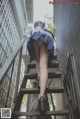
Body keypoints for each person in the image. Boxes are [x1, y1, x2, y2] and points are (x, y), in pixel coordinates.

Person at [27, 21, 54, 112]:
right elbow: (51, 34)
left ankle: (39, 77)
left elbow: (28, 35)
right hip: (46, 38)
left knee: (37, 60)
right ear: (42, 25)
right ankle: (41, 96)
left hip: (35, 38)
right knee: (44, 67)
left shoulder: (35, 30)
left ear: (36, 26)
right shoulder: (45, 30)